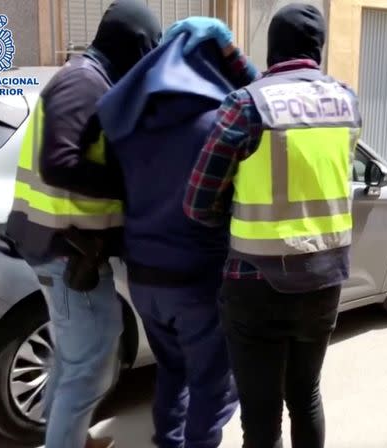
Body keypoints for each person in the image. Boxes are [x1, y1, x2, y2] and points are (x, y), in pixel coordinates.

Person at [183, 4, 361, 447]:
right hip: (324, 278)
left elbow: (197, 202)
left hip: (255, 281)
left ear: (273, 46)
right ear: (317, 49)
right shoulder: (347, 101)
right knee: (306, 395)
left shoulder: (246, 104)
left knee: (261, 415)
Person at [0, 1, 161, 447]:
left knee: (73, 358)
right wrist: (131, 184)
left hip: (59, 244)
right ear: (133, 46)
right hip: (68, 249)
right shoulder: (84, 83)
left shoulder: (89, 79)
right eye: (148, 52)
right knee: (92, 360)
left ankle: (67, 434)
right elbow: (60, 162)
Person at [96, 17, 259, 448]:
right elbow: (264, 97)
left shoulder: (129, 123)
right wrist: (233, 55)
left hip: (144, 279)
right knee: (211, 383)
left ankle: (167, 441)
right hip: (198, 280)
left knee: (171, 371)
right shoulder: (221, 125)